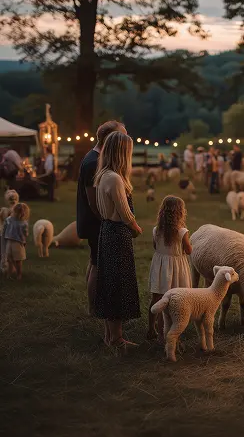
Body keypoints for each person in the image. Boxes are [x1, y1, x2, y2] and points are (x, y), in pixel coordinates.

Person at [94, 131, 143, 350]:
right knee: (117, 285)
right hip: (117, 234)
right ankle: (117, 339)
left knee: (109, 282)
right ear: (122, 153)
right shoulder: (114, 178)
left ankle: (109, 335)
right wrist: (136, 228)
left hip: (107, 231)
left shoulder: (103, 174)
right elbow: (125, 213)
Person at [77, 120, 126, 316]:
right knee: (98, 264)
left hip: (97, 221)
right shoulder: (93, 162)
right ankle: (94, 308)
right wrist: (107, 220)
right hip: (95, 222)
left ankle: (94, 305)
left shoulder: (97, 158)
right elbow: (93, 201)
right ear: (109, 138)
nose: (124, 140)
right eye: (121, 136)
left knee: (94, 260)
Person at [147, 196, 192, 343]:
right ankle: (169, 333)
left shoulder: (156, 230)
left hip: (160, 267)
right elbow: (189, 250)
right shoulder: (182, 232)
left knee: (156, 298)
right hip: (177, 268)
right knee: (174, 301)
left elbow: (155, 247)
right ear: (180, 212)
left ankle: (152, 329)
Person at [2, 203, 29, 280]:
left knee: (16, 259)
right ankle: (12, 273)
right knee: (11, 259)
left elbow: (25, 233)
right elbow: (26, 233)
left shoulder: (21, 222)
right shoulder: (12, 220)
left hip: (16, 242)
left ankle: (18, 274)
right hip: (11, 241)